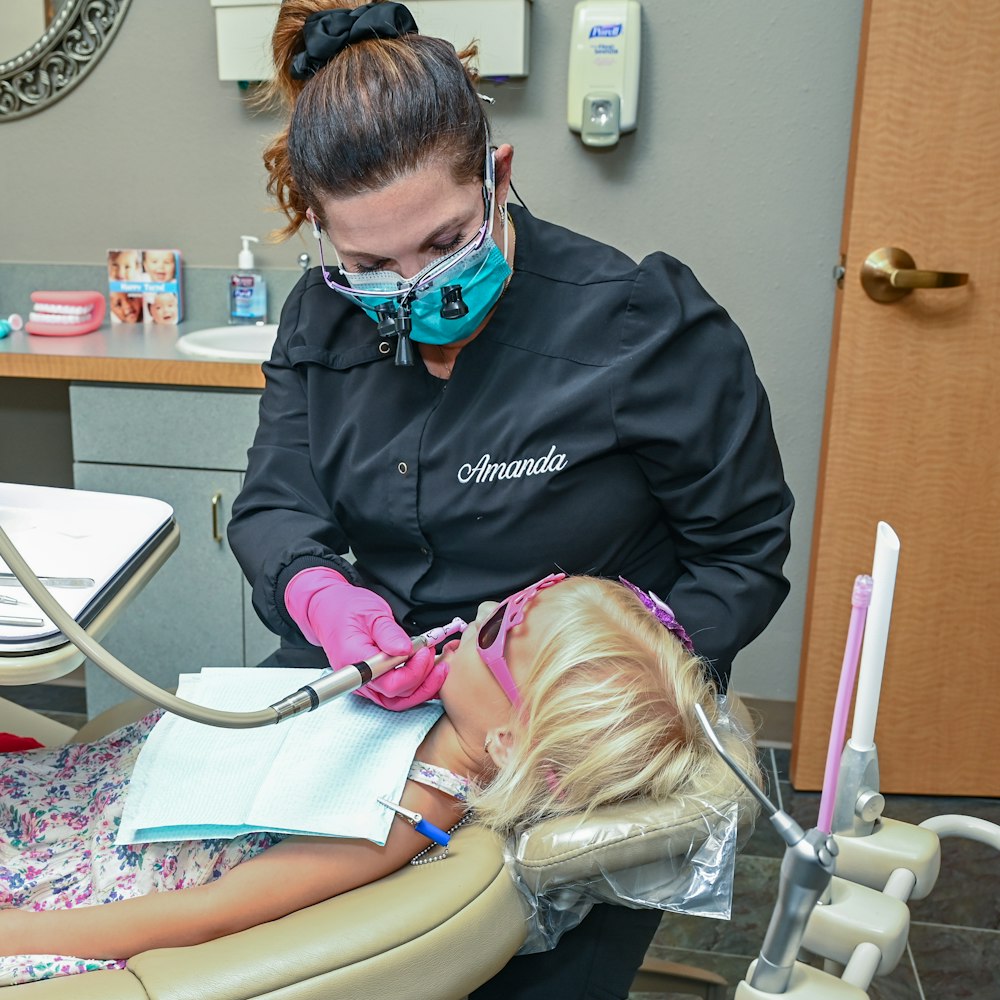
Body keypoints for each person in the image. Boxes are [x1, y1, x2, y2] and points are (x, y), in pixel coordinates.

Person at [227, 1, 793, 995]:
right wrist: (326, 600)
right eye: (369, 265)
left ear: (498, 175)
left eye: (445, 243)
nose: (414, 293)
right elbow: (273, 508)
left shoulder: (641, 325)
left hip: (559, 759)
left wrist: (603, 668)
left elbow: (742, 556)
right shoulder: (320, 322)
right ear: (320, 233)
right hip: (375, 723)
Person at [0, 575, 759, 987]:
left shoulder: (404, 813)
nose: (483, 610)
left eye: (496, 630)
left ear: (503, 739)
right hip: (115, 787)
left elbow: (209, 916)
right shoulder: (437, 714)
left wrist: (18, 934)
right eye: (516, 597)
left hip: (88, 867)